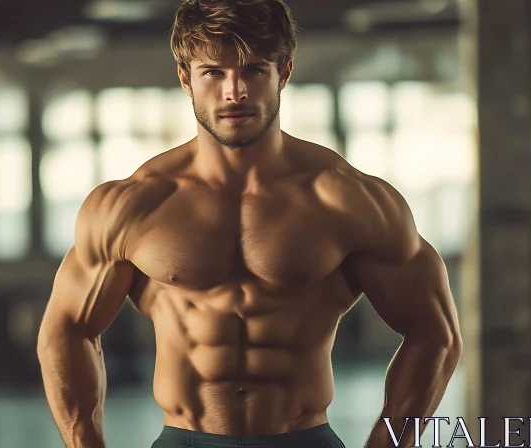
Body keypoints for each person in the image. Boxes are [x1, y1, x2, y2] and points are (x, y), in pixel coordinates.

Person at [36, 0, 463, 447]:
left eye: (255, 70)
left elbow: (436, 332)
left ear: (285, 72)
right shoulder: (134, 204)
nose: (234, 90)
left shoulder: (347, 200)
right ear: (186, 79)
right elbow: (66, 328)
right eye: (213, 73)